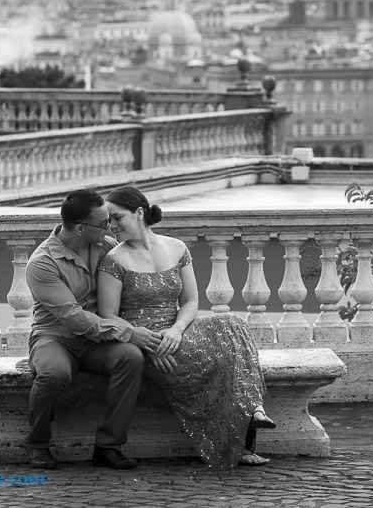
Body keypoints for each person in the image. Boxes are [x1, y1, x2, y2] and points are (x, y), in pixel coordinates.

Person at [97, 185, 276, 470]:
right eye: (108, 220)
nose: (111, 225)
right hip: (148, 342)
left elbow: (191, 301)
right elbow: (108, 315)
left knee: (233, 323)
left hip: (178, 330)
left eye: (117, 218)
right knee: (217, 360)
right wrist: (147, 344)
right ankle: (241, 429)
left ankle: (252, 409)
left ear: (139, 213)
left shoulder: (177, 247)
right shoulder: (113, 260)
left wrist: (178, 329)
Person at [25, 189, 164, 470]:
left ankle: (108, 446)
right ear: (79, 228)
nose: (110, 227)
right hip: (56, 338)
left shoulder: (105, 246)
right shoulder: (41, 263)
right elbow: (73, 318)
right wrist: (128, 332)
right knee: (53, 374)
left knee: (130, 358)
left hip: (97, 341)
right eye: (103, 223)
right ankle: (38, 443)